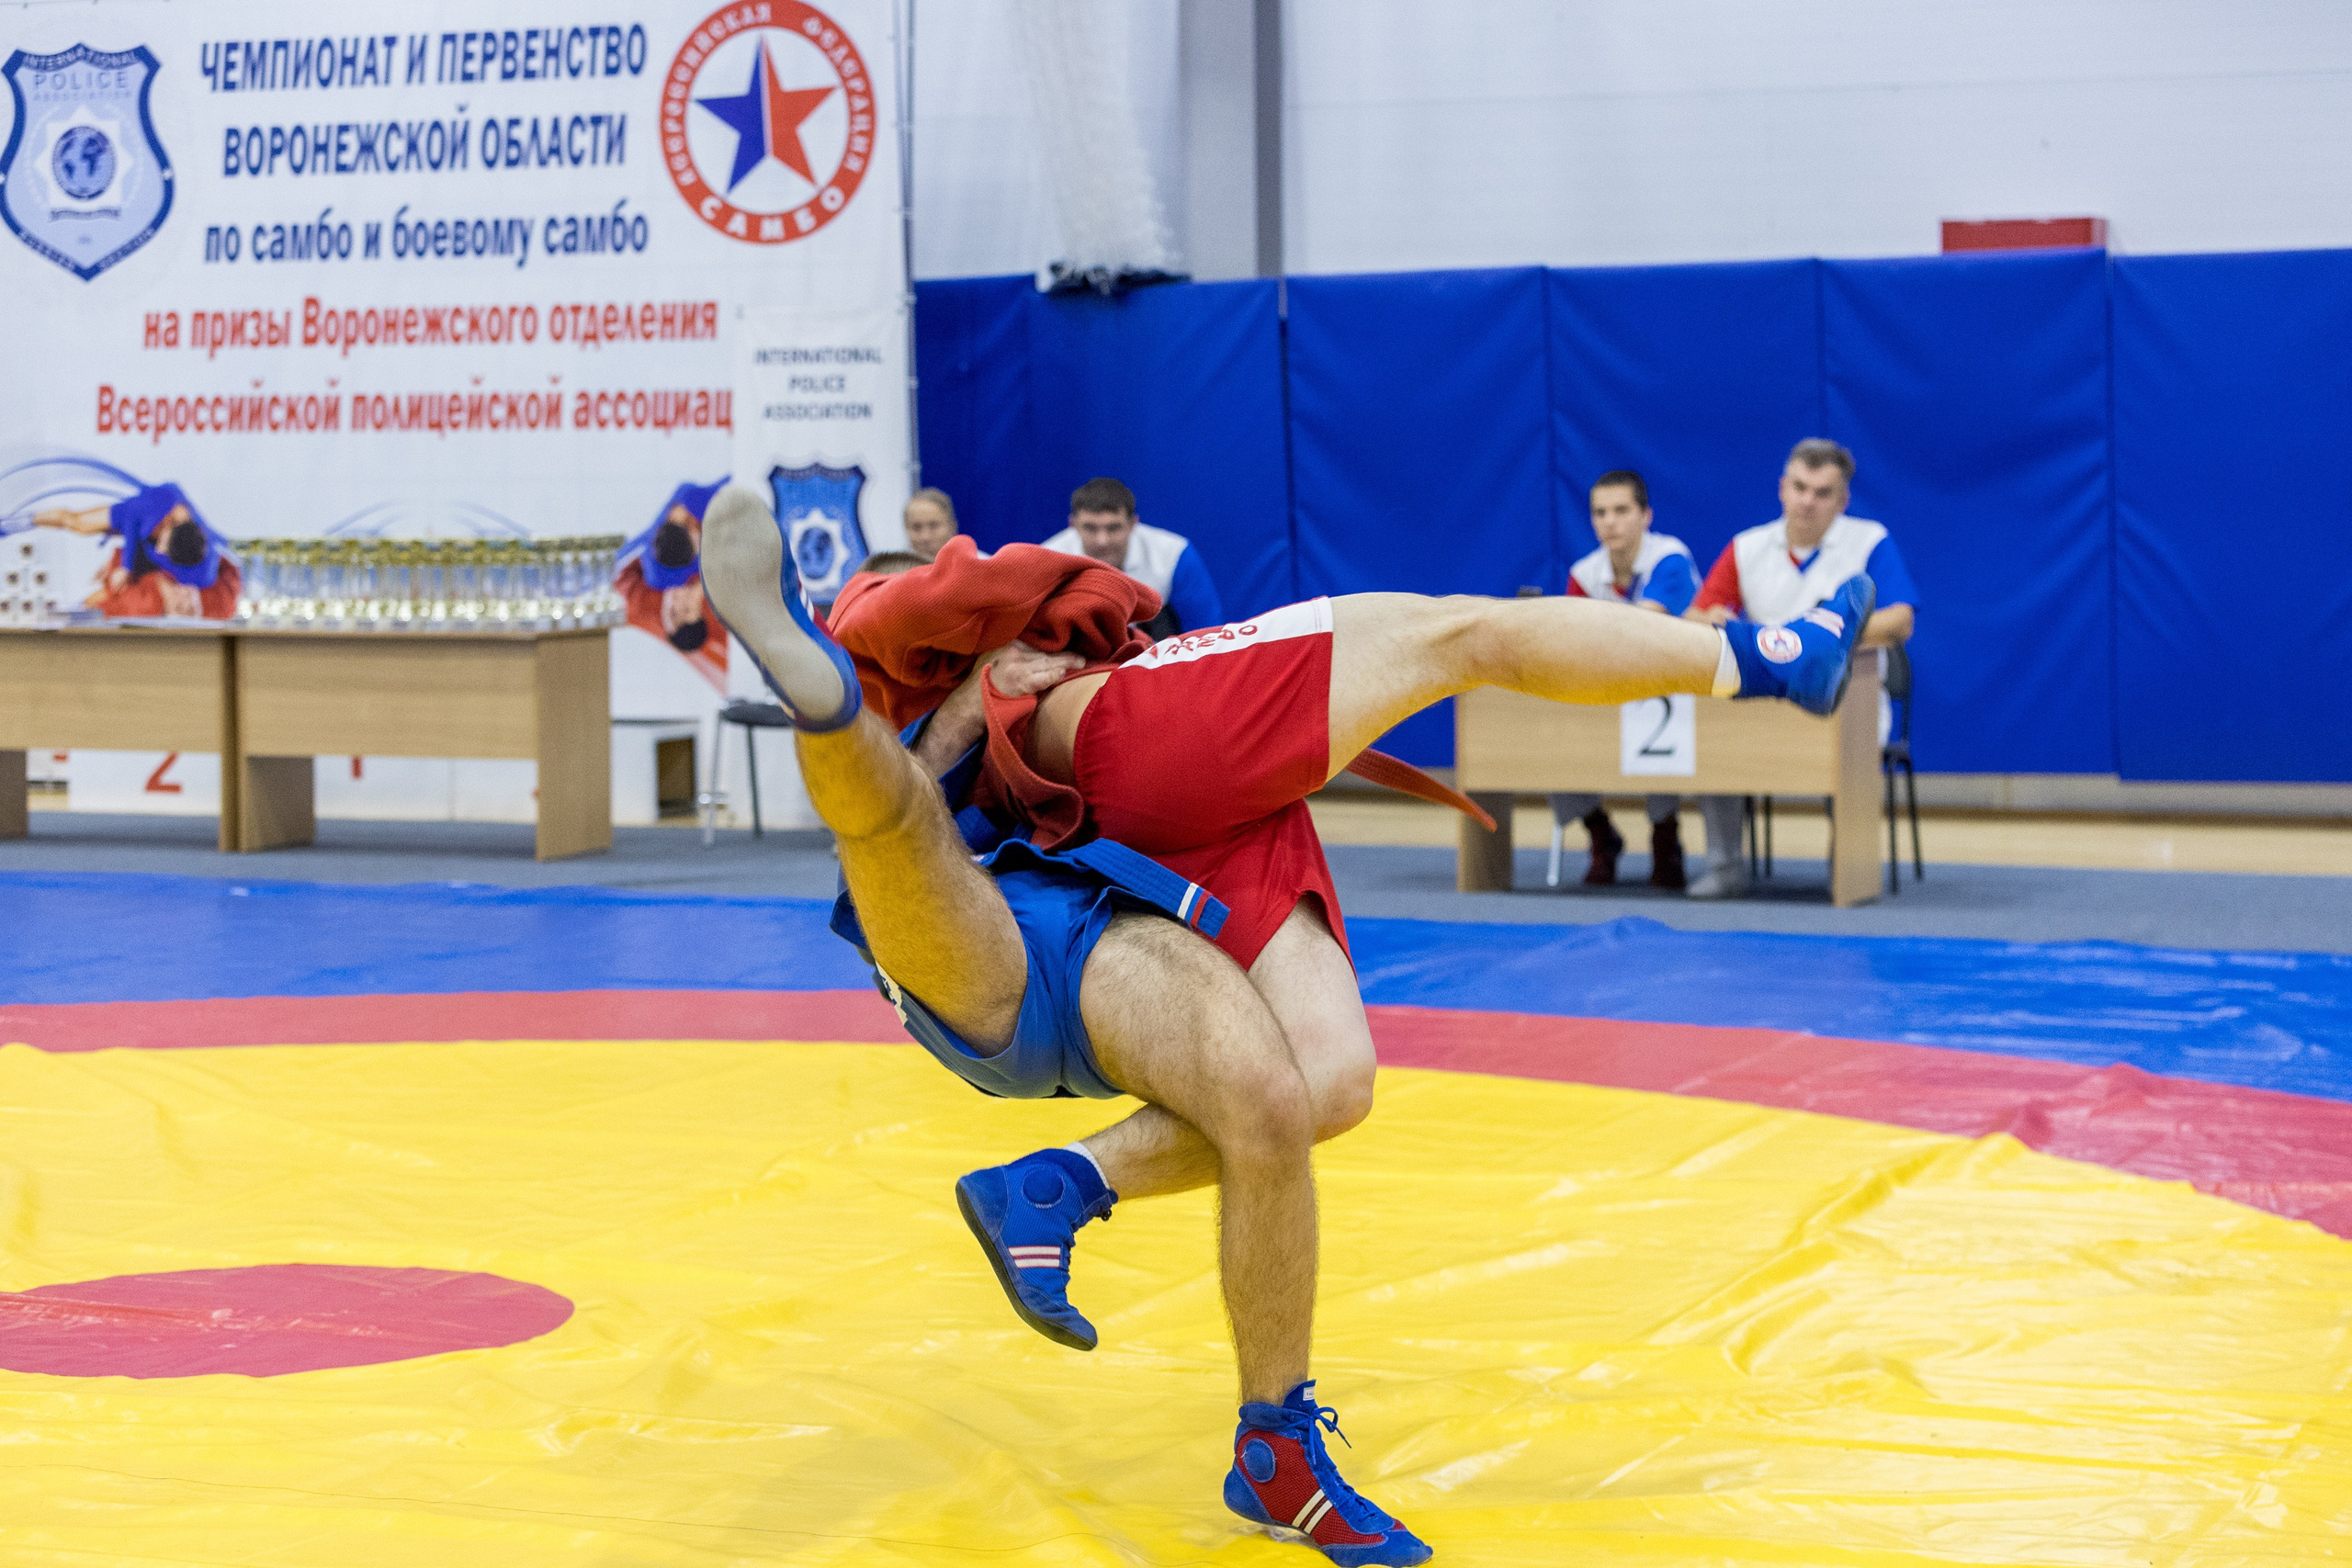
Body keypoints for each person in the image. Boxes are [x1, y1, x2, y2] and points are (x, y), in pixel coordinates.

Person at [698, 481, 1872, 1563]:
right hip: (1101, 786)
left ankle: (1075, 1201)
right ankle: (1775, 655)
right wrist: (1016, 652)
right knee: (1465, 631)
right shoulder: (978, 639)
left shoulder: (983, 733)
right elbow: (999, 607)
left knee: (1324, 1083)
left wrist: (987, 679)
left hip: (1126, 865)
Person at [1682, 437, 1920, 898]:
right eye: (1800, 487)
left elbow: (1900, 619)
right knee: (1713, 736)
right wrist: (1712, 619)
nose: (1808, 501)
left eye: (1823, 492)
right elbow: (1696, 615)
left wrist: (1823, 639)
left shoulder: (1869, 542)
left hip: (1845, 697)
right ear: (1782, 489)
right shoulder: (1746, 547)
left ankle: (1846, 869)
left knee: (1845, 738)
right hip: (1758, 701)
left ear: (1842, 500)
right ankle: (1725, 866)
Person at [1550, 469, 1699, 890]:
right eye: (1599, 513)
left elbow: (1646, 628)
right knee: (1547, 732)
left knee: (1659, 720)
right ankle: (1599, 832)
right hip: (1605, 686)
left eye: (1621, 510)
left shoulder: (1670, 557)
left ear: (1645, 515)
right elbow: (1570, 643)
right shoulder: (1584, 572)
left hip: (1672, 688)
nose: (1609, 522)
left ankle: (1665, 835)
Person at [1041, 476, 1224, 639]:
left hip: (1156, 657)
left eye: (1113, 528)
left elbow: (1207, 635)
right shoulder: (1048, 559)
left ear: (1133, 524)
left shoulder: (1173, 554)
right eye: (1090, 528)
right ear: (1073, 525)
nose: (1102, 541)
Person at [35, 482, 240, 619]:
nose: (160, 550)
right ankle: (25, 521)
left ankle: (69, 614)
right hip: (131, 518)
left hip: (144, 548)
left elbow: (162, 572)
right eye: (163, 544)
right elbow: (132, 520)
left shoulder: (202, 572)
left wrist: (120, 565)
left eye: (164, 552)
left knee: (109, 593)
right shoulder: (166, 500)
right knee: (76, 523)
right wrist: (124, 565)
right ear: (171, 524)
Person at [615, 479, 729, 691]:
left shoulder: (657, 578)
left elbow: (684, 494)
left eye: (673, 614)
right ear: (700, 610)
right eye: (685, 610)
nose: (678, 603)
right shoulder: (715, 584)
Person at [902, 487, 959, 562]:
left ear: (952, 527)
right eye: (916, 528)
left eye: (933, 526)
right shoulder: (895, 570)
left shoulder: (976, 568)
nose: (925, 537)